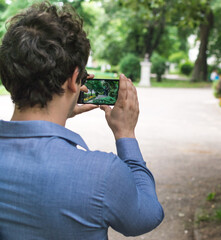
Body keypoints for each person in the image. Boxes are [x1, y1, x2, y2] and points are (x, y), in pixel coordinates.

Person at [0, 1, 164, 239]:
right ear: (74, 78)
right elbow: (147, 216)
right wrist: (126, 135)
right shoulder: (103, 173)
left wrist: (61, 111)